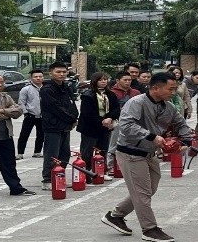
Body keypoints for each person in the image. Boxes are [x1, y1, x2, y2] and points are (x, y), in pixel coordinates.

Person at [100, 72, 194, 242]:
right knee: (142, 193)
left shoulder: (168, 106)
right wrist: (152, 137)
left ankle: (115, 215)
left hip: (149, 154)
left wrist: (186, 139)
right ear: (155, 88)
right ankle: (149, 229)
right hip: (130, 153)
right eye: (170, 89)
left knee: (149, 190)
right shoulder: (136, 102)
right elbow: (127, 125)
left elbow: (180, 123)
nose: (173, 92)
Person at [40, 62, 78, 190]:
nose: (62, 74)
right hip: (52, 126)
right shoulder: (47, 89)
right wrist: (70, 118)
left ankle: (59, 176)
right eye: (58, 72)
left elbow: (71, 104)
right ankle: (48, 179)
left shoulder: (66, 87)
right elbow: (56, 108)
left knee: (65, 153)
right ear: (51, 73)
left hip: (65, 126)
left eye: (64, 72)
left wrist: (74, 118)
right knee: (52, 154)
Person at [78, 72, 120, 180]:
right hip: (90, 127)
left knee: (103, 149)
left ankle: (101, 170)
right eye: (101, 80)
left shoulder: (110, 94)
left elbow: (116, 108)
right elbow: (87, 113)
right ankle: (86, 172)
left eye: (105, 79)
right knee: (87, 151)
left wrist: (110, 118)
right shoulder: (88, 95)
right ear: (95, 81)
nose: (103, 81)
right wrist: (101, 121)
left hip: (105, 127)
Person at [107, 71, 142, 173]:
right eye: (125, 80)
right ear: (118, 80)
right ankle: (110, 165)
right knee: (114, 144)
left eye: (129, 80)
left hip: (134, 122)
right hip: (117, 122)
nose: (128, 82)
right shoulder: (111, 93)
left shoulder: (136, 93)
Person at [16, 69, 44, 160]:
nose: (38, 78)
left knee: (41, 134)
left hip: (42, 116)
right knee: (24, 134)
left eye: (40, 76)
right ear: (31, 78)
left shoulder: (45, 89)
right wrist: (25, 112)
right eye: (35, 77)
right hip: (30, 115)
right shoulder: (26, 89)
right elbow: (21, 102)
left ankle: (37, 152)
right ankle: (20, 153)